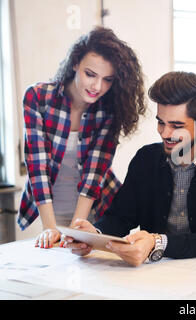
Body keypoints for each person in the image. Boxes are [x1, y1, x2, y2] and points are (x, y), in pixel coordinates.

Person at [64, 71, 196, 267]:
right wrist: (93, 235)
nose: (165, 133)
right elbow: (120, 217)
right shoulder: (146, 159)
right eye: (161, 122)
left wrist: (158, 243)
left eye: (176, 126)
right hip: (154, 273)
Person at [19, 26, 147, 249]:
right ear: (75, 63)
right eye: (90, 74)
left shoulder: (110, 109)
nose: (97, 87)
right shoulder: (38, 97)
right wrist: (50, 227)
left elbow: (94, 173)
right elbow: (37, 168)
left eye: (107, 80)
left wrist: (78, 229)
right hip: (49, 207)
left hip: (94, 210)